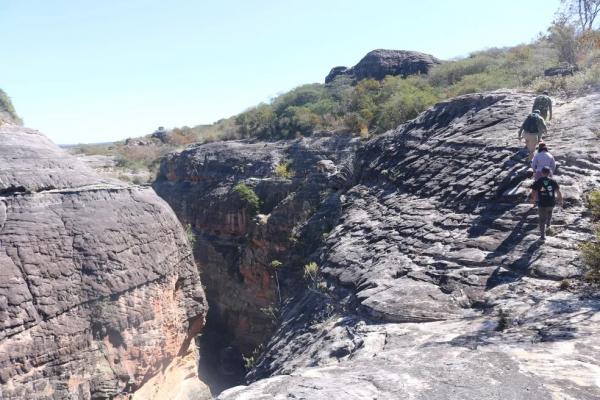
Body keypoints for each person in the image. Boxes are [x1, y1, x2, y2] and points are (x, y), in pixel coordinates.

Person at [529, 166, 563, 240]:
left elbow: (533, 192)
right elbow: (558, 192)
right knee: (550, 211)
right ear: (549, 172)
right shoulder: (553, 181)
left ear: (542, 173)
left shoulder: (538, 181)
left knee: (541, 220)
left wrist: (533, 199)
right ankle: (548, 223)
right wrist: (560, 200)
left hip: (542, 203)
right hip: (551, 202)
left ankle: (542, 236)